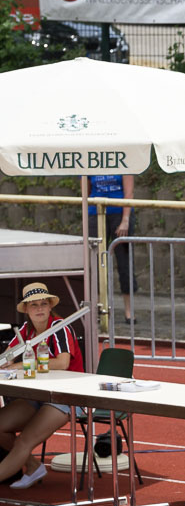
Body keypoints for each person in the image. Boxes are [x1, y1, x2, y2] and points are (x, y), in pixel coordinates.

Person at [0, 283, 84, 489]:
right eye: (34, 305)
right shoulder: (25, 330)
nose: (39, 309)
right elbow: (6, 358)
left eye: (43, 304)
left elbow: (62, 363)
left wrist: (20, 364)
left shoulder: (60, 326)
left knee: (23, 442)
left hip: (66, 396)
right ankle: (34, 466)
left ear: (50, 307)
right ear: (26, 310)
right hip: (37, 395)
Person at [82, 174, 137, 323]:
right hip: (96, 214)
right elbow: (85, 193)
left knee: (125, 263)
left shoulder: (122, 159)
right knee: (96, 262)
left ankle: (129, 310)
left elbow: (129, 193)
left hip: (119, 213)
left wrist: (125, 219)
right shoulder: (92, 162)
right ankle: (99, 308)